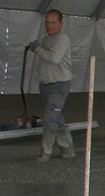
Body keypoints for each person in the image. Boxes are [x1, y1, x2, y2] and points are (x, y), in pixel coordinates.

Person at [29, 9, 73, 160]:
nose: (49, 26)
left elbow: (54, 58)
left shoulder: (63, 39)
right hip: (47, 84)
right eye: (47, 22)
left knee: (49, 116)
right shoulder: (46, 39)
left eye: (53, 22)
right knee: (56, 117)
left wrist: (37, 49)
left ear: (61, 24)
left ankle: (46, 151)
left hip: (60, 84)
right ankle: (67, 148)